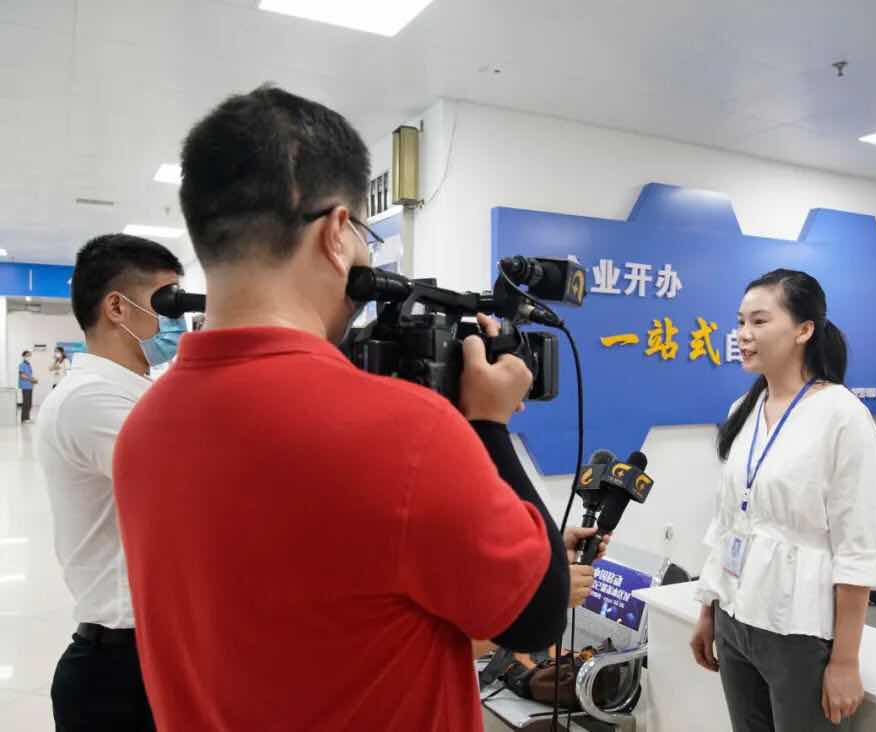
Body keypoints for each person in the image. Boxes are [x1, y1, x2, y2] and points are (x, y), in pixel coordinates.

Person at [112, 85, 570, 732]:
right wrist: (489, 427)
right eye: (362, 234)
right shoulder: (407, 432)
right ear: (335, 232)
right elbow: (537, 615)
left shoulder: (142, 428)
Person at [689, 269, 876, 731]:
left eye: (759, 321)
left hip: (797, 627)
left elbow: (857, 547)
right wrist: (708, 608)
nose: (743, 334)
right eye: (740, 322)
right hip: (734, 617)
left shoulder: (842, 415)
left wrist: (845, 660)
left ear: (804, 330)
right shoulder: (743, 410)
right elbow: (729, 522)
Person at [35, 233, 185, 731]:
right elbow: (196, 488)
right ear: (117, 307)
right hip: (119, 670)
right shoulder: (90, 399)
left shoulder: (135, 391)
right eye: (169, 302)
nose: (178, 321)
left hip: (155, 656)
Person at [18, 349, 37, 422]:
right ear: (23, 356)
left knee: (29, 403)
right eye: (27, 355)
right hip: (25, 386)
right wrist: (31, 379)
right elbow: (22, 375)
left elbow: (29, 375)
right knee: (26, 402)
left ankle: (27, 418)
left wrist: (33, 379)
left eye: (29, 355)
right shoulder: (22, 365)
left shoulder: (28, 365)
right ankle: (24, 419)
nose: (29, 357)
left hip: (29, 386)